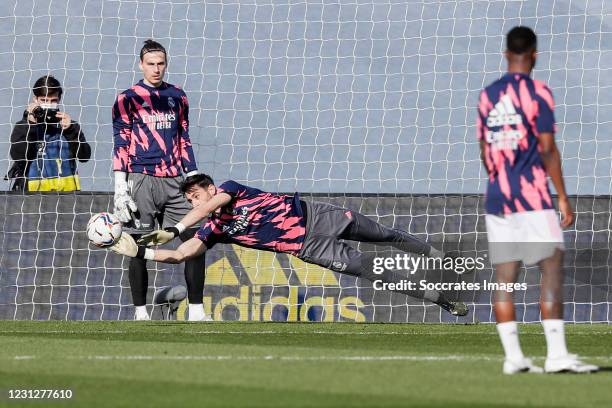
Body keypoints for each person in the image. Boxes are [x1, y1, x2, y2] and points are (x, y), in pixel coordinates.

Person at [109, 173, 469, 318]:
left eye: (195, 192)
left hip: (320, 216)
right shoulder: (213, 230)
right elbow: (183, 254)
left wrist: (174, 227)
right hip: (309, 248)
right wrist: (142, 252)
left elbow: (208, 207)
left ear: (209, 188)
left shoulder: (229, 190)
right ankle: (444, 301)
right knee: (377, 272)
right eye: (187, 196)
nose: (192, 198)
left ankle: (437, 255)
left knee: (386, 235)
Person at [477, 26, 598, 374]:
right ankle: (556, 355)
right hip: (533, 197)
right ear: (534, 55)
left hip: (498, 197)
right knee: (551, 271)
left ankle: (514, 358)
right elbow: (547, 148)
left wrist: (501, 179)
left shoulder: (487, 96)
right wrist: (562, 196)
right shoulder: (539, 92)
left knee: (505, 277)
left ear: (505, 54)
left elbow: (485, 152)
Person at [112, 39, 206, 321]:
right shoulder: (126, 98)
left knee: (195, 240)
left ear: (166, 64)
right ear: (141, 64)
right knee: (139, 245)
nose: (156, 69)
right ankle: (141, 313)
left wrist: (194, 178)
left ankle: (197, 311)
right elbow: (121, 142)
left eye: (161, 64)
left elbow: (184, 138)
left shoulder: (178, 96)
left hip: (176, 181)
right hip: (142, 178)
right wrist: (120, 187)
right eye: (151, 64)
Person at [7, 75, 90, 191]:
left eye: (53, 101)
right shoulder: (23, 126)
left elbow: (84, 156)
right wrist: (31, 124)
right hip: (31, 199)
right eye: (44, 100)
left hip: (68, 198)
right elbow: (18, 157)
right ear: (35, 100)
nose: (49, 104)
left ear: (59, 99)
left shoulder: (69, 126)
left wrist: (71, 130)